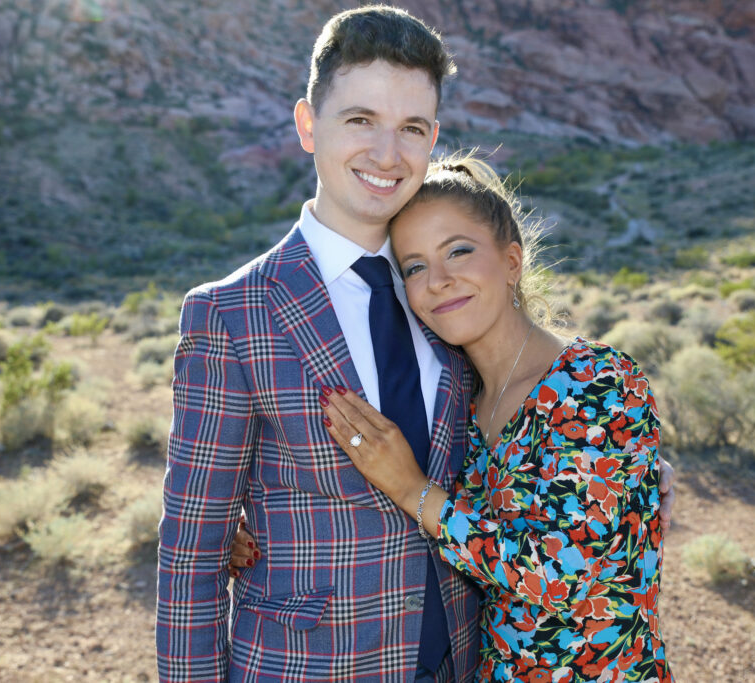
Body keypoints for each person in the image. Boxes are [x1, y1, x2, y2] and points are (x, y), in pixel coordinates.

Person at [233, 155, 675, 681]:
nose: (439, 280)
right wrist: (264, 531)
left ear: (511, 261)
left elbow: (560, 578)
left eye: (458, 251)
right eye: (415, 267)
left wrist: (412, 489)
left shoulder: (597, 381)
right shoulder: (460, 395)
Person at [158, 7, 481, 681]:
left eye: (411, 128)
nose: (387, 154)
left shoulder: (450, 294)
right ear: (308, 125)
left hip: (463, 658)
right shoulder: (231, 314)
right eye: (361, 120)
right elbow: (191, 557)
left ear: (432, 139)